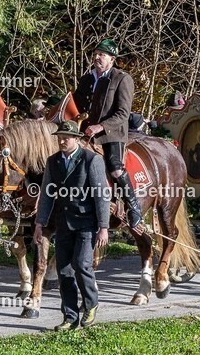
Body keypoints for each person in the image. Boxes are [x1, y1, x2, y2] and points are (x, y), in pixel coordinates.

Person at [33, 120, 111, 331]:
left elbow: (102, 196)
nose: (62, 140)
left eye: (66, 137)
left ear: (76, 139)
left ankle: (91, 303)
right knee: (64, 271)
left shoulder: (91, 160)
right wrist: (40, 223)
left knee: (81, 264)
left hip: (86, 223)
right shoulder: (53, 162)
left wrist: (103, 226)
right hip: (63, 223)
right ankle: (69, 316)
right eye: (59, 137)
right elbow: (47, 194)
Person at [72, 38, 143, 233]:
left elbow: (123, 114)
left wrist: (100, 127)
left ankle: (134, 207)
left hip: (111, 134)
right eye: (95, 54)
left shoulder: (122, 78)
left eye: (101, 55)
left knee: (115, 169)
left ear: (112, 59)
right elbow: (75, 106)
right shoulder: (86, 79)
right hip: (84, 132)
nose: (97, 57)